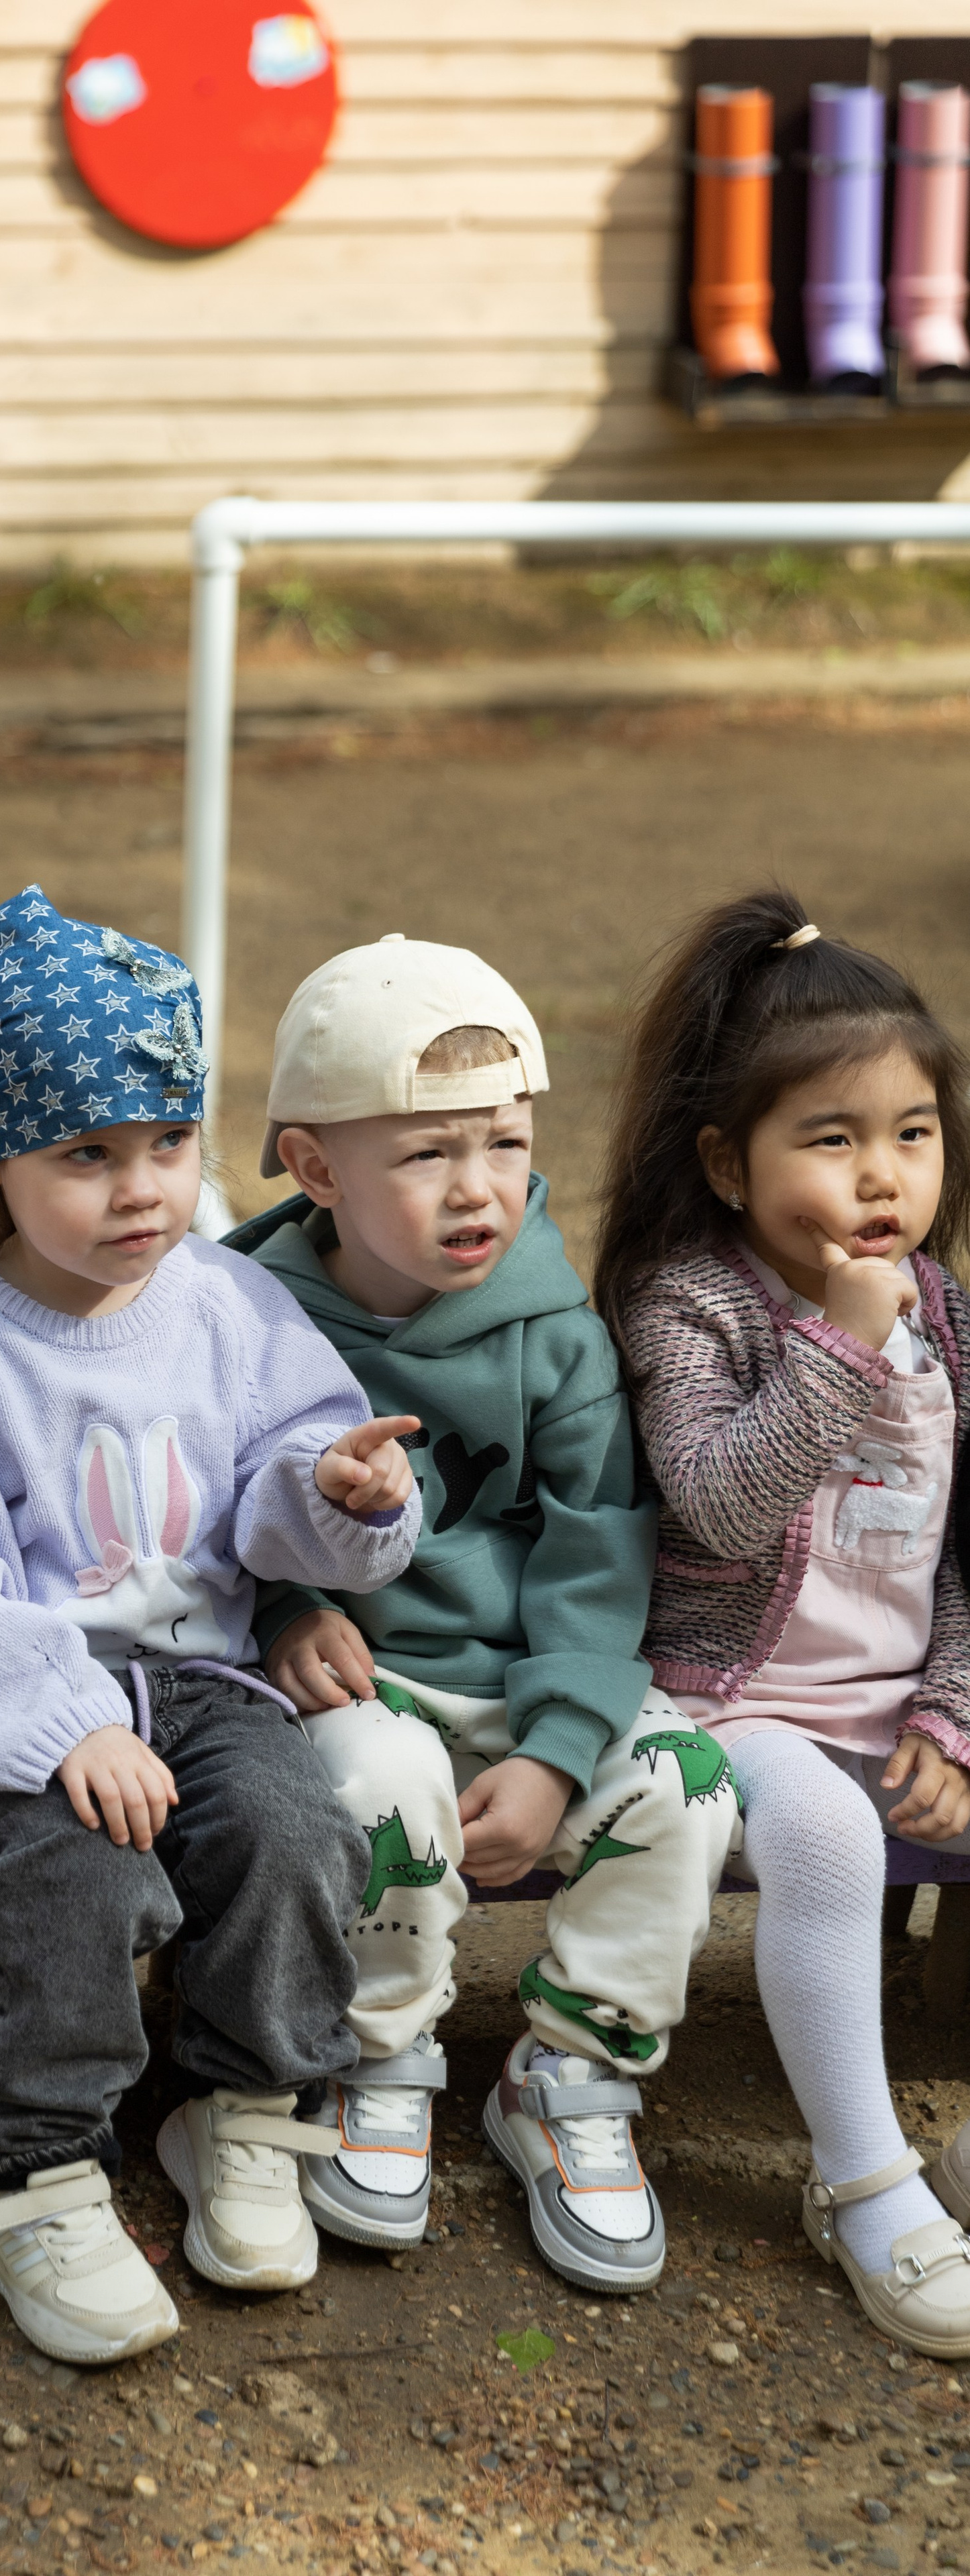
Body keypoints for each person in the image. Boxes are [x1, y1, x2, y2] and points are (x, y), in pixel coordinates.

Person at [0, 886, 421, 2365]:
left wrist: (337, 1493)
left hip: (206, 1676)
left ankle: (243, 2108)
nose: (139, 1189)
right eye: (85, 1156)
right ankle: (29, 2174)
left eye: (166, 1144)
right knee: (74, 1871)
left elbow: (277, 1485)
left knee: (292, 1828)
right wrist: (63, 1724)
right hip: (28, 1696)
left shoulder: (225, 1305)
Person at [230, 936, 741, 2298]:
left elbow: (596, 1546)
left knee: (686, 1783)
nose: (478, 1190)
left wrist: (560, 1742)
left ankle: (570, 2068)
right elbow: (210, 1503)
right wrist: (281, 1609)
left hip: (524, 1684)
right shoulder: (243, 1319)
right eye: (424, 1154)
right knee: (380, 1795)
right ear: (312, 1167)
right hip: (364, 1687)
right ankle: (376, 2049)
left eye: (503, 1144)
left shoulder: (553, 1328)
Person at [597, 888, 970, 2359]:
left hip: (894, 1706)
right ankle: (862, 2180)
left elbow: (958, 1557)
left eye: (910, 1133)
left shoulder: (944, 1310)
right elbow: (716, 1510)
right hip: (729, 1706)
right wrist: (842, 1336)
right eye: (828, 1139)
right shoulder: (685, 1302)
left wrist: (946, 1709)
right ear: (723, 1162)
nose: (879, 1177)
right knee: (820, 1838)